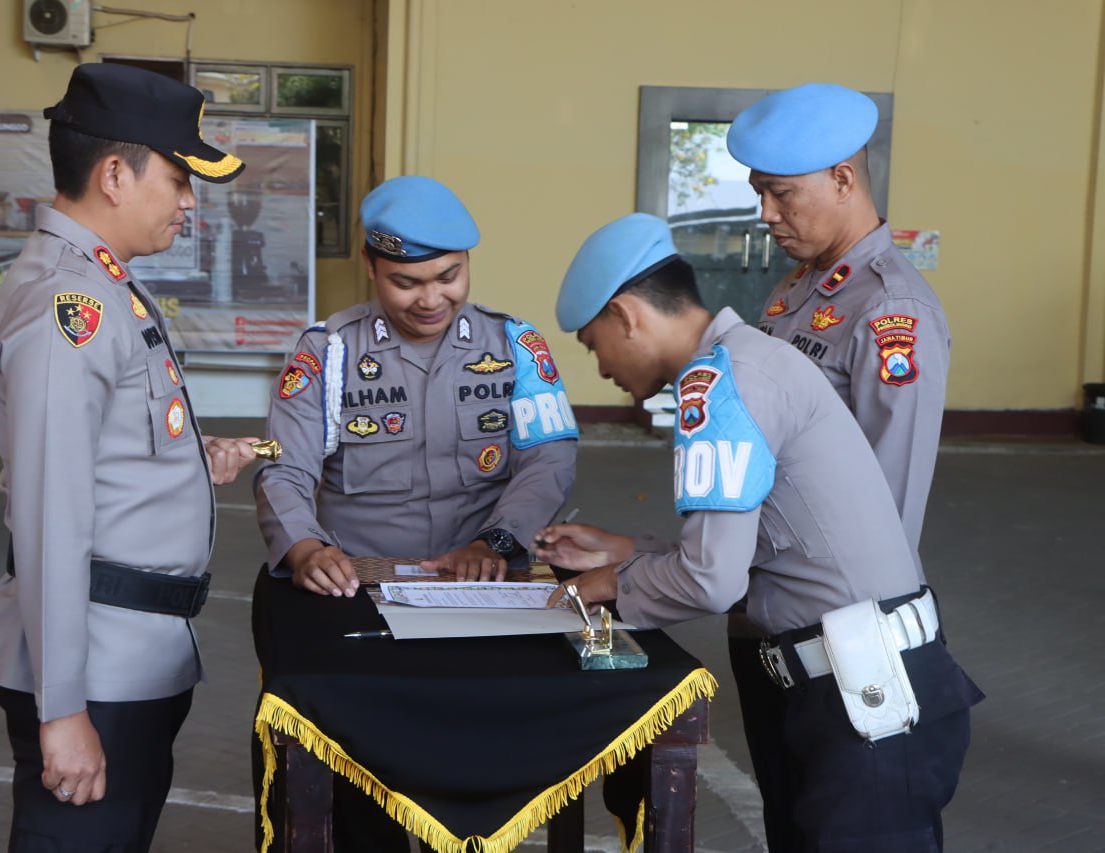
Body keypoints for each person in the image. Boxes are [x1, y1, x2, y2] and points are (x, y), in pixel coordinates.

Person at [535, 213, 982, 852]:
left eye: (591, 343)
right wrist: (629, 551)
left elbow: (711, 580)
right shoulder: (745, 362)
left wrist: (607, 582)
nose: (600, 366)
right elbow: (766, 544)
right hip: (847, 691)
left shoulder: (717, 384)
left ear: (627, 316)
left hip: (867, 701)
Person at [0, 62, 264, 852]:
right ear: (114, 174)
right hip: (94, 674)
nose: (188, 200)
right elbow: (50, 513)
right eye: (177, 178)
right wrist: (63, 709)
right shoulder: (66, 306)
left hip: (131, 661)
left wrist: (182, 462)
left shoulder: (104, 287)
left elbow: (102, 450)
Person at [253, 175, 579, 851]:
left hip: (480, 592)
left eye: (449, 275)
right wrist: (305, 548)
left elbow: (549, 458)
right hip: (360, 593)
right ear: (371, 267)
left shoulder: (516, 345)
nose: (431, 297)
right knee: (358, 786)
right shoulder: (328, 352)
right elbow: (284, 467)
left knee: (480, 775)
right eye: (407, 281)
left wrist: (497, 538)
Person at [725, 82, 953, 849]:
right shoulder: (796, 292)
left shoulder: (894, 314)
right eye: (760, 194)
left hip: (848, 642)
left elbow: (884, 505)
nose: (767, 215)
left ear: (845, 180)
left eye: (782, 195)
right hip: (775, 624)